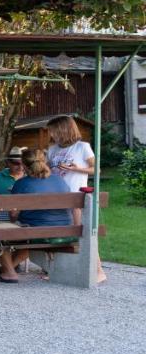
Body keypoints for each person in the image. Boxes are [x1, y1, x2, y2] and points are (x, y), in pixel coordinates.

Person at [0, 151, 72, 283]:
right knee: (31, 234)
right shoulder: (60, 180)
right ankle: (9, 266)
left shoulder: (22, 183)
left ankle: (9, 272)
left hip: (34, 231)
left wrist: (15, 218)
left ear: (24, 165)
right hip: (65, 230)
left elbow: (13, 215)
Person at [44, 114, 106, 283]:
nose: (51, 134)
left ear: (63, 130)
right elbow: (47, 172)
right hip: (56, 197)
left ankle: (99, 270)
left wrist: (77, 169)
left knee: (83, 234)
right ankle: (55, 269)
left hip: (75, 199)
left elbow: (96, 170)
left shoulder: (82, 147)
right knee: (59, 234)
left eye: (53, 131)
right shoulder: (52, 149)